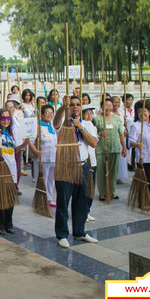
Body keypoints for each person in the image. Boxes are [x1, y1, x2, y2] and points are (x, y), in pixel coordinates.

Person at [52, 95, 98, 248]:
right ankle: (62, 234)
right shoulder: (63, 123)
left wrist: (81, 127)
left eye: (78, 104)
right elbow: (55, 122)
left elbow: (93, 143)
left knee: (82, 202)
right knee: (63, 201)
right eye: (72, 105)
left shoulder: (87, 124)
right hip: (66, 166)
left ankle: (79, 232)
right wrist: (61, 107)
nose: (75, 107)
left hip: (82, 166)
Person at [0, 108, 29, 235]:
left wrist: (24, 145)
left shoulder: (11, 135)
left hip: (11, 169)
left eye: (8, 118)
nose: (5, 121)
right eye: (3, 118)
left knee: (10, 198)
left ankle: (9, 224)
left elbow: (15, 150)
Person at [95, 98, 126, 200]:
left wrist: (124, 147)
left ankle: (111, 191)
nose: (108, 107)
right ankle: (102, 193)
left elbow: (121, 133)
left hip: (115, 148)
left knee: (113, 171)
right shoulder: (97, 119)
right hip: (101, 149)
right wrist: (99, 134)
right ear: (101, 107)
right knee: (101, 171)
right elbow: (92, 134)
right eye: (106, 105)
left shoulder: (116, 118)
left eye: (110, 105)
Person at [33, 105, 57, 206]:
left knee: (51, 179)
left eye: (51, 113)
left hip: (53, 157)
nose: (49, 115)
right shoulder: (37, 126)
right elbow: (29, 140)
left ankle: (50, 198)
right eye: (47, 113)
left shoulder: (52, 126)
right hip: (42, 157)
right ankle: (41, 198)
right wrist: (35, 151)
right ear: (42, 114)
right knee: (42, 179)